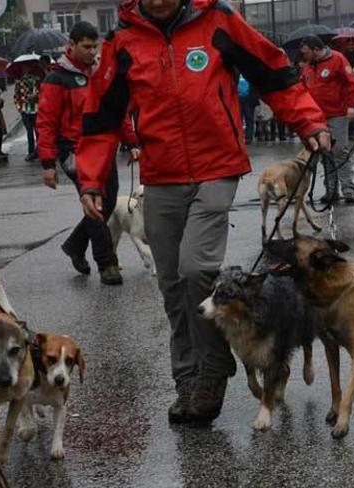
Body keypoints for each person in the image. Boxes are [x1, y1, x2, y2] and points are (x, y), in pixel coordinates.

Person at [76, 0, 329, 424]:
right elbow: (101, 115)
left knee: (196, 270)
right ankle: (187, 376)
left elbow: (272, 70)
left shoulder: (218, 20)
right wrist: (90, 179)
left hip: (217, 166)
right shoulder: (123, 39)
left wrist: (311, 122)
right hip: (161, 175)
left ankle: (213, 371)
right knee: (172, 283)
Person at [37, 21, 141, 286]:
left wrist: (132, 142)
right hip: (72, 149)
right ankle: (107, 264)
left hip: (103, 146)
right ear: (70, 45)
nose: (92, 52)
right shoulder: (56, 78)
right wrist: (48, 163)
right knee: (94, 201)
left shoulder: (102, 74)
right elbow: (46, 122)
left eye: (95, 46)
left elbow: (116, 112)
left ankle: (75, 244)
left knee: (107, 203)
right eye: (86, 46)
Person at [300, 35, 354, 204]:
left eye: (306, 53)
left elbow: (351, 83)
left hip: (337, 113)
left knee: (339, 150)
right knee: (325, 153)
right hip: (317, 117)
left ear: (316, 50)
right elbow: (302, 86)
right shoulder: (308, 65)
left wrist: (352, 105)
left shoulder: (337, 59)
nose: (304, 56)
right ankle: (331, 190)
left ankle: (348, 188)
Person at [14, 65, 41, 161]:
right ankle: (31, 152)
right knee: (29, 131)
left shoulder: (36, 81)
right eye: (24, 69)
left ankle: (39, 151)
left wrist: (35, 96)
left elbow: (40, 93)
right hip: (25, 110)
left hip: (35, 109)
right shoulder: (19, 82)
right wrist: (19, 107)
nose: (26, 71)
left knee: (38, 131)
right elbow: (16, 95)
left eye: (27, 69)